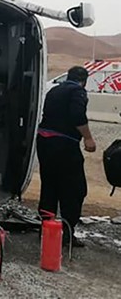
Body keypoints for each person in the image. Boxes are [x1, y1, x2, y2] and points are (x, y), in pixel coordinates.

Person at [36, 66, 96, 247]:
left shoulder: (54, 90)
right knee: (74, 189)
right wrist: (88, 138)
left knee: (49, 186)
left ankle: (45, 229)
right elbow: (77, 115)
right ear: (84, 80)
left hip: (44, 142)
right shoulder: (78, 91)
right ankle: (67, 233)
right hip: (64, 145)